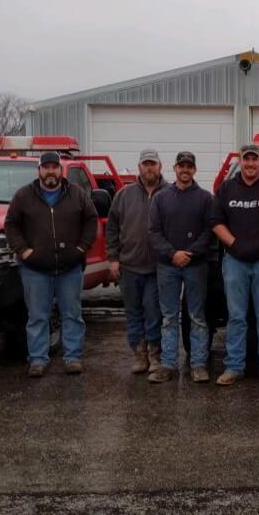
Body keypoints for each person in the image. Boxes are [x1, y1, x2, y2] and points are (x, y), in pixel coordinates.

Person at [4, 151, 98, 377]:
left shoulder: (77, 194)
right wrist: (24, 251)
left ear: (60, 170)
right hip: (35, 269)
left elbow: (91, 220)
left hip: (70, 268)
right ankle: (37, 359)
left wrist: (81, 249)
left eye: (54, 167)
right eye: (45, 167)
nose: (50, 171)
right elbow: (11, 225)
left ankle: (73, 357)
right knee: (37, 316)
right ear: (39, 171)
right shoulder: (23, 196)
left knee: (72, 315)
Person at [211, 143, 259, 386]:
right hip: (234, 261)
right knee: (236, 317)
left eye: (255, 159)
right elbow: (215, 221)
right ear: (241, 162)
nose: (251, 164)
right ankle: (234, 367)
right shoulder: (226, 189)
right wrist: (235, 245)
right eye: (246, 159)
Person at [148, 151, 214, 384]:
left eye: (189, 166)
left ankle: (198, 365)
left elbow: (210, 231)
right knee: (168, 317)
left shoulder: (206, 198)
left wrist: (190, 253)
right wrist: (172, 253)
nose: (185, 170)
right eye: (181, 166)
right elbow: (153, 232)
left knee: (197, 317)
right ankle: (167, 365)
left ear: (194, 170)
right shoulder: (161, 198)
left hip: (196, 266)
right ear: (174, 168)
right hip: (167, 266)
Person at [106, 149, 167, 375]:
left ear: (160, 166)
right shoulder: (124, 195)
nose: (149, 168)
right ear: (138, 167)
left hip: (157, 268)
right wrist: (113, 258)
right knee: (133, 313)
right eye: (145, 164)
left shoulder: (169, 193)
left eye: (153, 164)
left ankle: (155, 355)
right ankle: (139, 355)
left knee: (154, 313)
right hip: (129, 266)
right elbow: (112, 228)